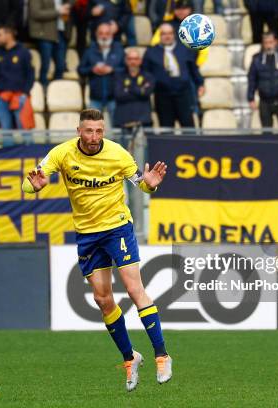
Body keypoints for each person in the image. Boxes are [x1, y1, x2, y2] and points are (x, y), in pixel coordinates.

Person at [22, 109, 172, 392]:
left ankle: (162, 355)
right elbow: (29, 182)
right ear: (79, 130)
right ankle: (130, 358)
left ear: (104, 131)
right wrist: (33, 187)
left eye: (99, 131)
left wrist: (150, 186)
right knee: (103, 300)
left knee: (133, 288)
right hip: (87, 235)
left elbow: (141, 183)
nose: (94, 137)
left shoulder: (118, 154)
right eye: (89, 131)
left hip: (117, 228)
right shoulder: (61, 154)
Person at [142, 22, 204, 128]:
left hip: (183, 94)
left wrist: (200, 83)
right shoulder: (151, 52)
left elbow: (193, 69)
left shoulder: (185, 49)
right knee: (166, 129)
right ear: (159, 35)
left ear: (174, 34)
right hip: (163, 95)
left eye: (170, 33)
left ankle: (191, 145)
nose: (167, 36)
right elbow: (145, 72)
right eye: (164, 34)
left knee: (188, 128)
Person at [0, 25, 35, 130]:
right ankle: (9, 147)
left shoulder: (23, 52)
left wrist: (25, 94)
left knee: (24, 127)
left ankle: (27, 147)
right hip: (2, 97)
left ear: (9, 35)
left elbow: (30, 75)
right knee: (5, 130)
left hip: (19, 97)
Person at [247, 31, 278, 128]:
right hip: (264, 101)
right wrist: (251, 98)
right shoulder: (257, 59)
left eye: (270, 42)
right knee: (266, 134)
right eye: (266, 43)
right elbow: (252, 79)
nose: (268, 45)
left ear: (276, 42)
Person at [78, 22, 125, 124]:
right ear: (96, 34)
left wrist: (112, 70)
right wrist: (92, 69)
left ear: (112, 35)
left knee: (117, 130)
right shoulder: (89, 50)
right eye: (101, 33)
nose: (104, 36)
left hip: (115, 97)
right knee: (93, 129)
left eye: (107, 33)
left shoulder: (119, 50)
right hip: (95, 97)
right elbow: (81, 70)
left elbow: (125, 69)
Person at [28, 0, 72, 86]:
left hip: (61, 33)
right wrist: (58, 11)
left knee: (61, 66)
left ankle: (56, 90)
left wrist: (68, 5)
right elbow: (36, 13)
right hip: (45, 34)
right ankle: (43, 91)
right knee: (45, 66)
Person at [114, 48, 154, 129]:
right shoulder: (118, 76)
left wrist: (128, 88)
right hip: (123, 121)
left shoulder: (148, 76)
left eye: (136, 59)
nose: (133, 62)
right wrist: (140, 90)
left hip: (143, 121)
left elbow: (146, 93)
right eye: (130, 59)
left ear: (140, 61)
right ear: (126, 61)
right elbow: (118, 95)